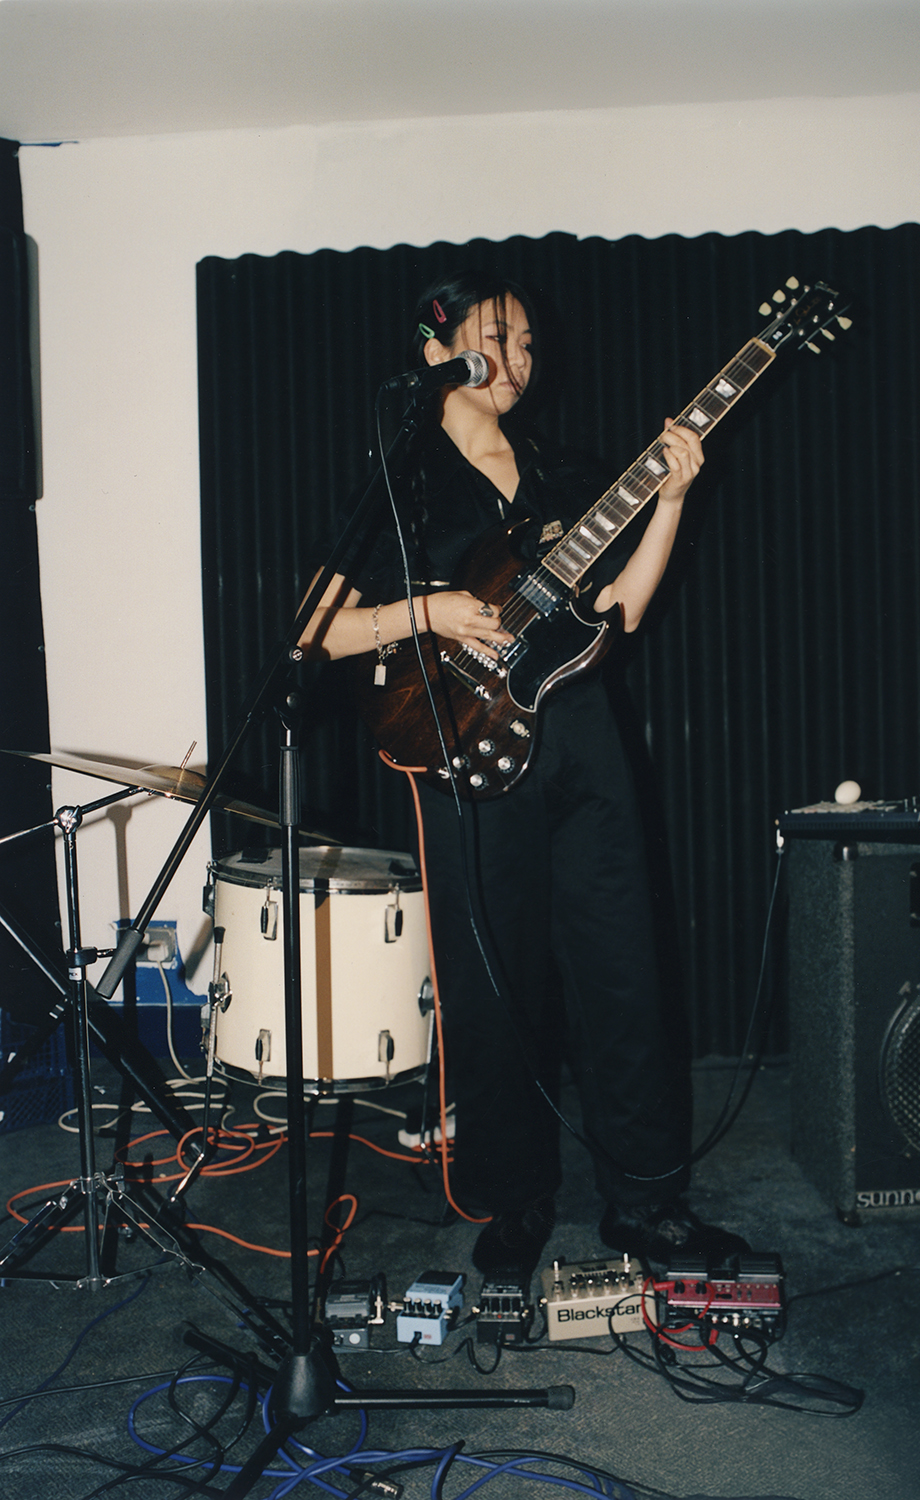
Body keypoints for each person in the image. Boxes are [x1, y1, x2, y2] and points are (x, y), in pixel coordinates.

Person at [299, 271, 748, 1277]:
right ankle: (515, 1198)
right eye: (496, 335)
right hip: (463, 752)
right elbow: (318, 629)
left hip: (585, 745)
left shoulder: (567, 473)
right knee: (493, 984)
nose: (518, 358)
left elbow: (623, 609)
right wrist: (428, 611)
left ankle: (647, 1201)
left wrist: (672, 500)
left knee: (624, 970)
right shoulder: (402, 480)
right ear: (436, 351)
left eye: (530, 343)